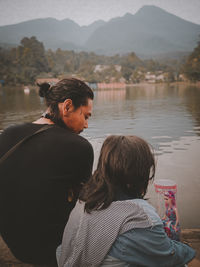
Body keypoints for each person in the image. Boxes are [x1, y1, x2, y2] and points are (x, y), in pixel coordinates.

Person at [57, 135, 195, 267]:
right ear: (140, 174)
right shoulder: (139, 216)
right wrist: (188, 250)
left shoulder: (86, 199)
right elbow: (169, 256)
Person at [0, 78, 94, 265]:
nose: (86, 125)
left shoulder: (8, 133)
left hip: (13, 242)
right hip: (51, 249)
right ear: (67, 106)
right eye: (86, 116)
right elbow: (86, 205)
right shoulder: (79, 146)